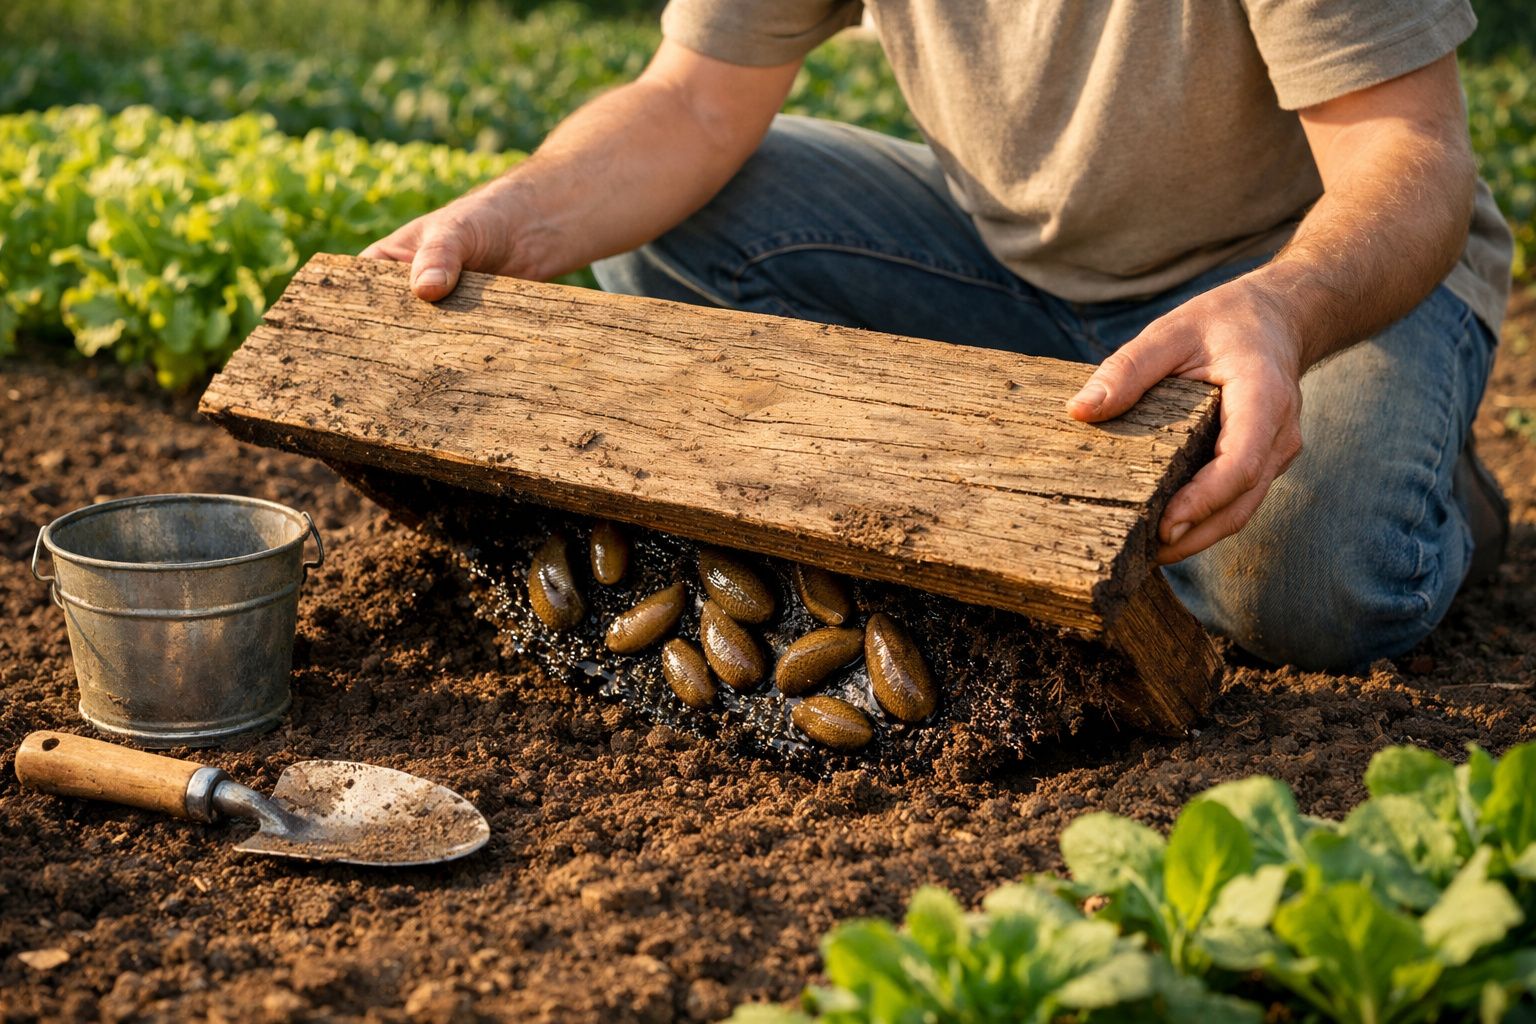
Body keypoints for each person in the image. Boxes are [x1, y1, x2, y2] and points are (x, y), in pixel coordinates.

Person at [362, 1, 1513, 671]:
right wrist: (514, 211)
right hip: (1004, 270)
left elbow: (1406, 157)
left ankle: (1434, 493)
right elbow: (694, 102)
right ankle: (1055, 470)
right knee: (686, 228)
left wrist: (1285, 304)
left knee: (1306, 587)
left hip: (1302, 285)